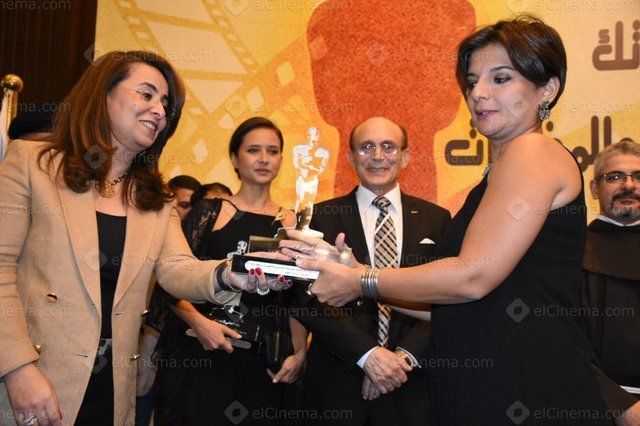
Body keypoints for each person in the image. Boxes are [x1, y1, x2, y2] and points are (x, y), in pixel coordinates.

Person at [285, 16, 614, 424]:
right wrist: (358, 274)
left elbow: (472, 277)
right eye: (472, 81)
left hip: (525, 384)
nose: (478, 93)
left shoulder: (533, 151)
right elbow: (455, 305)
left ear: (546, 89)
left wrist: (362, 280)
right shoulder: (500, 172)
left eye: (501, 78)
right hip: (491, 385)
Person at [0, 51, 282, 426]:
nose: (159, 110)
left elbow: (177, 269)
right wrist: (17, 367)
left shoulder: (155, 199)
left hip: (112, 386)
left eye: (165, 103)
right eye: (146, 94)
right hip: (35, 377)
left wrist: (231, 274)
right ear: (103, 94)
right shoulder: (31, 162)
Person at [292, 116, 450, 425]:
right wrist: (369, 355)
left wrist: (401, 358)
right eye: (366, 147)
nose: (377, 156)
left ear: (405, 156)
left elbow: (446, 295)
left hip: (412, 385)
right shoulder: (319, 217)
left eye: (388, 147)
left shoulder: (437, 219)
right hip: (338, 385)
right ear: (351, 158)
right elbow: (305, 296)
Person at [152, 117, 307, 425]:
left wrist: (300, 352)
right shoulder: (209, 212)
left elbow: (299, 299)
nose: (264, 159)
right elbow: (171, 279)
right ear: (235, 159)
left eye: (272, 151)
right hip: (203, 350)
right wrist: (199, 323)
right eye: (253, 150)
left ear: (281, 159)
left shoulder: (294, 224)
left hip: (264, 361)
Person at [581, 140, 640, 425]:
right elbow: (564, 341)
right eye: (615, 177)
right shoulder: (571, 254)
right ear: (594, 189)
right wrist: (620, 406)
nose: (629, 185)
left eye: (638, 177)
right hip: (595, 407)